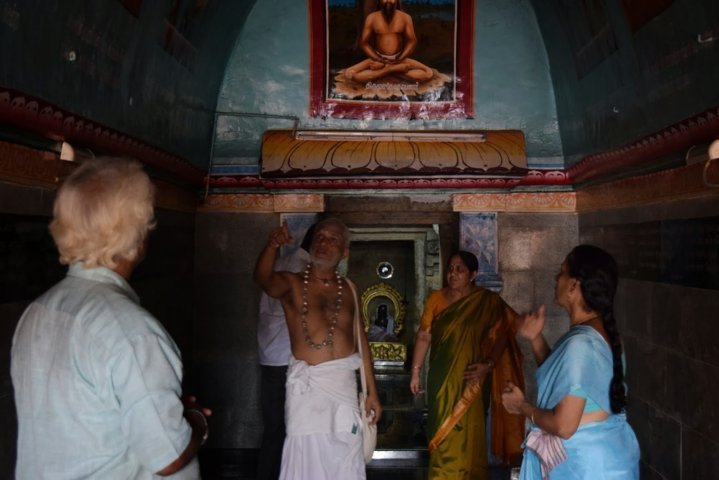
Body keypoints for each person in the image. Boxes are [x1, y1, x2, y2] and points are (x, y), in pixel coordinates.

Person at [11, 157, 210, 478]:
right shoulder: (131, 329)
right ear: (136, 235)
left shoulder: (38, 311)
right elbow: (168, 458)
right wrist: (195, 422)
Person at [254, 217, 382, 480]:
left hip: (343, 384)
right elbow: (264, 278)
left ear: (344, 251)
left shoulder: (349, 288)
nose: (324, 242)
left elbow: (361, 341)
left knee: (346, 454)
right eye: (320, 237)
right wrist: (271, 246)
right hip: (309, 388)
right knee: (306, 457)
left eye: (333, 239)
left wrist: (372, 392)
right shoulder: (291, 283)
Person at [501, 245, 640, 479]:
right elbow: (571, 383)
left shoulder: (581, 345)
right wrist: (536, 338)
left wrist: (521, 406)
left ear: (574, 285)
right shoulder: (602, 334)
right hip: (604, 457)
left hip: (584, 465)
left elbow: (564, 426)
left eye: (562, 272)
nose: (557, 278)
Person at [409, 251, 525, 479]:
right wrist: (415, 372)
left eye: (459, 269)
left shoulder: (488, 301)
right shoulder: (436, 299)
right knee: (442, 432)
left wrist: (489, 365)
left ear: (473, 274)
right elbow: (424, 336)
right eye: (450, 269)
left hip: (475, 377)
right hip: (442, 379)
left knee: (470, 434)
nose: (452, 274)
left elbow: (505, 332)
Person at [256, 223, 315, 480]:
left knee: (273, 429)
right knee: (289, 429)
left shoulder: (282, 263)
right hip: (286, 360)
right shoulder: (302, 272)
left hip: (269, 356)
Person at [344, 0, 434, 84]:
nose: (388, 1)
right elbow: (364, 42)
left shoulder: (406, 18)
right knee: (350, 74)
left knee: (428, 73)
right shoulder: (371, 18)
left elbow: (412, 41)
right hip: (378, 58)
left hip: (399, 59)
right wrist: (378, 58)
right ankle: (392, 70)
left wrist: (401, 58)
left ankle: (386, 70)